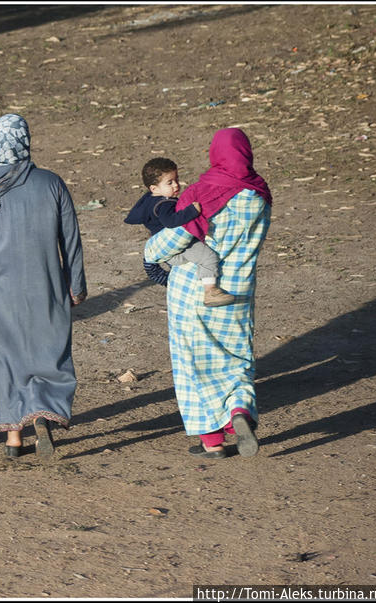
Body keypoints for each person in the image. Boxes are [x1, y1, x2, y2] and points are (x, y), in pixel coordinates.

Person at [0, 113, 87, 459]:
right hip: (46, 281)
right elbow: (70, 239)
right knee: (48, 350)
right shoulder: (51, 182)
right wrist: (76, 286)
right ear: (27, 140)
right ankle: (43, 412)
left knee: (4, 356)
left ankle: (14, 436)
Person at [144, 128, 272, 459]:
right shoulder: (259, 195)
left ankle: (212, 443)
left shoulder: (204, 192)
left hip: (191, 294)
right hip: (237, 292)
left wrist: (150, 249)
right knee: (236, 361)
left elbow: (172, 240)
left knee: (192, 366)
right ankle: (238, 412)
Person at [125, 157, 235, 307]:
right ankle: (211, 292)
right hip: (178, 251)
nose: (176, 185)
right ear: (154, 189)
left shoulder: (149, 200)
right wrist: (192, 211)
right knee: (209, 257)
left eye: (176, 179)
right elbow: (171, 221)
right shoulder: (163, 204)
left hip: (167, 252)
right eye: (169, 183)